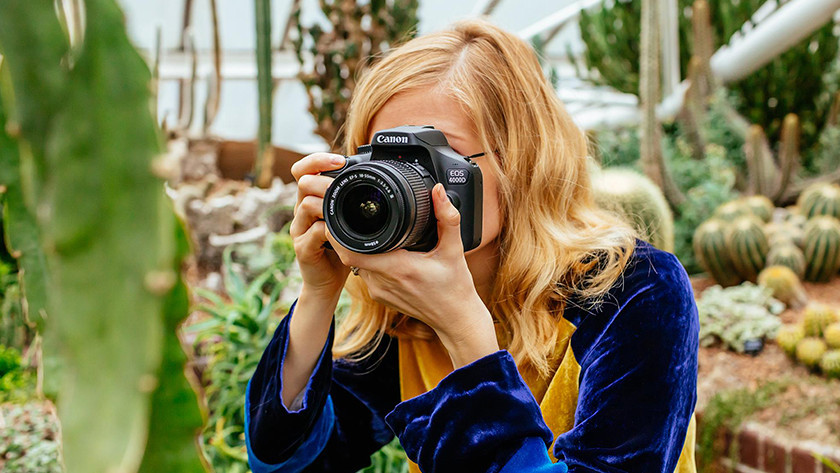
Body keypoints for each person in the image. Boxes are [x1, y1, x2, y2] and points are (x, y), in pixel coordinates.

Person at [246, 18, 699, 473]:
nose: (402, 182)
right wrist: (319, 294)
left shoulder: (635, 292)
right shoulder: (407, 306)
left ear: (522, 161)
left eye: (435, 156)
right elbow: (289, 465)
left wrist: (464, 331)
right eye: (386, 159)